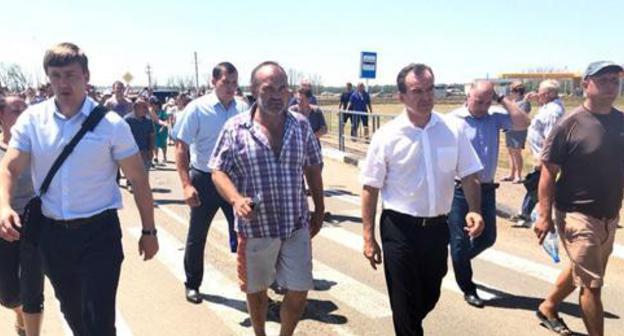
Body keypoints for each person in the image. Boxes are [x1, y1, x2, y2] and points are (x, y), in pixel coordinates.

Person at [0, 42, 159, 335]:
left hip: (99, 234)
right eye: (56, 75)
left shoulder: (111, 125)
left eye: (71, 75)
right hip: (53, 235)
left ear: (86, 76)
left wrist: (149, 231)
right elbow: (10, 166)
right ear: (48, 78)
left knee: (100, 319)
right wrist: (4, 205)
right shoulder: (34, 121)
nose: (63, 83)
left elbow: (138, 178)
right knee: (73, 312)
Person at [361, 63, 484, 336]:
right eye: (417, 91)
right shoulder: (387, 136)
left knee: (429, 294)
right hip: (399, 228)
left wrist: (475, 210)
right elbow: (370, 187)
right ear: (401, 96)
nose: (425, 96)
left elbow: (469, 174)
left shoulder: (453, 129)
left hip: (438, 228)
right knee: (404, 304)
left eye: (430, 89)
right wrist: (368, 237)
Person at [210, 61, 324, 336]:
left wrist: (319, 208)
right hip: (256, 228)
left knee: (299, 289)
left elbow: (312, 166)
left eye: (282, 88)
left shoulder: (300, 125)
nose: (276, 95)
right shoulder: (235, 129)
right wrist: (236, 199)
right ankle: (259, 332)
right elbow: (218, 171)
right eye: (268, 88)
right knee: (257, 290)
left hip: (294, 224)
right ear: (253, 90)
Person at [534, 61, 624, 336]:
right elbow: (548, 172)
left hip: (609, 214)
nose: (612, 85)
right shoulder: (568, 125)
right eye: (604, 80)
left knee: (585, 269)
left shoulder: (621, 121)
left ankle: (548, 306)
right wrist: (543, 215)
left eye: (615, 80)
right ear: (586, 85)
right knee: (591, 286)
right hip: (576, 214)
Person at [448, 80, 530, 308]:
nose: (482, 106)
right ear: (468, 96)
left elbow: (523, 122)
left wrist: (502, 99)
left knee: (487, 237)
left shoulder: (494, 117)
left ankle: (458, 260)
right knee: (460, 241)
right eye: (478, 101)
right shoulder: (453, 119)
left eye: (487, 101)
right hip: (459, 189)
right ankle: (468, 287)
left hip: (486, 188)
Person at [174, 62, 248, 304]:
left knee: (246, 232)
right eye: (226, 82)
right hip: (204, 179)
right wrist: (186, 185)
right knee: (197, 235)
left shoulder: (243, 108)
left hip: (233, 181)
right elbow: (181, 147)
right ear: (213, 81)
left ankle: (254, 283)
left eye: (234, 83)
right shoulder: (197, 109)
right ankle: (192, 284)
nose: (230, 87)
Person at [0, 95, 44, 336]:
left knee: (32, 288)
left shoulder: (38, 148)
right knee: (7, 294)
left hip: (34, 222)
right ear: (1, 116)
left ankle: (30, 328)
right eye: (15, 110)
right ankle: (19, 314)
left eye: (24, 109)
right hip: (4, 226)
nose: (22, 114)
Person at [511, 80, 565, 227]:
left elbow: (550, 138)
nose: (537, 93)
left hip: (547, 158)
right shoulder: (548, 107)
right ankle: (527, 213)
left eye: (540, 91)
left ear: (548, 94)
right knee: (536, 185)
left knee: (537, 185)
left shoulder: (553, 112)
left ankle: (527, 214)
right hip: (542, 156)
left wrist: (544, 160)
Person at [501, 81, 531, 183]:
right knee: (510, 151)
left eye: (511, 91)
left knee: (517, 152)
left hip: (519, 130)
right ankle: (511, 174)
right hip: (510, 129)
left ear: (517, 92)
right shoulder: (513, 102)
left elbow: (521, 116)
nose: (510, 93)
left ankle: (518, 175)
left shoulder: (524, 102)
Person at [124, 98, 155, 175]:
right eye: (144, 107)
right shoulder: (127, 120)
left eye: (146, 107)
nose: (146, 109)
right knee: (132, 175)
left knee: (144, 175)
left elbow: (151, 136)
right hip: (130, 153)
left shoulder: (148, 121)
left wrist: (151, 150)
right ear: (135, 107)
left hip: (144, 153)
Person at [148, 96, 169, 165]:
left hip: (162, 130)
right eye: (153, 104)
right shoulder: (149, 111)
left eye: (155, 104)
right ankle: (155, 157)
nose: (154, 106)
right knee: (155, 144)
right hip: (153, 129)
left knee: (163, 144)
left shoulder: (162, 112)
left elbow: (164, 120)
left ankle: (164, 157)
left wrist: (163, 126)